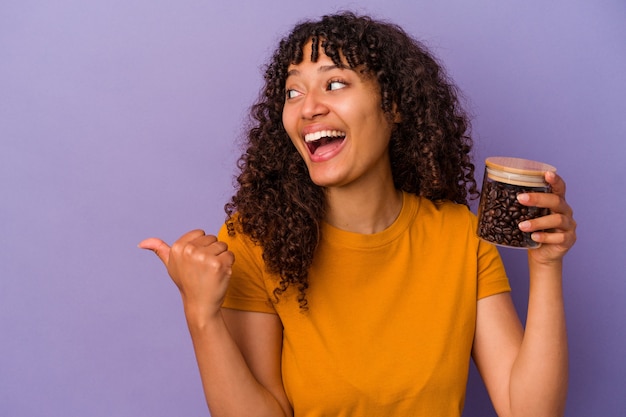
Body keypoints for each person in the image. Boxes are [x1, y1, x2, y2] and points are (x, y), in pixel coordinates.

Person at [139, 12, 576, 417]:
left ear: (395, 105)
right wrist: (202, 315)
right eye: (293, 91)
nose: (308, 107)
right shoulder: (255, 240)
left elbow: (528, 410)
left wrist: (546, 265)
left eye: (334, 84)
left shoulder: (459, 234)